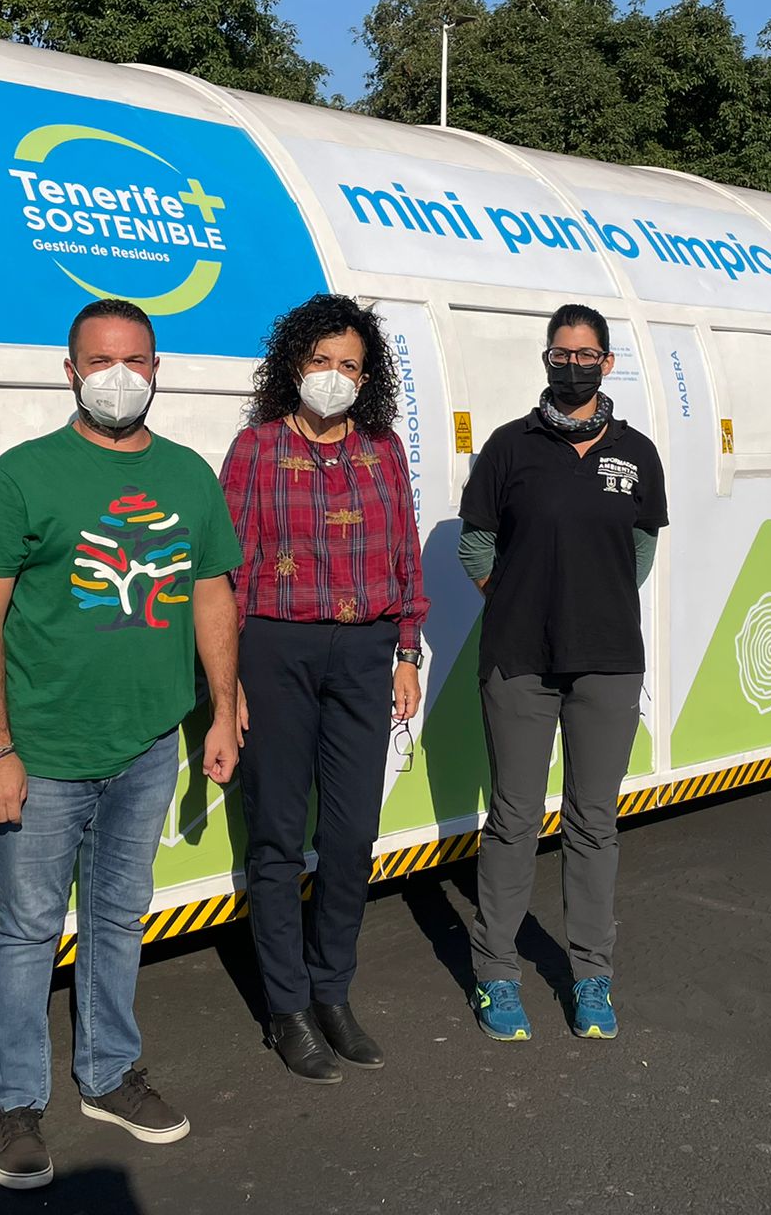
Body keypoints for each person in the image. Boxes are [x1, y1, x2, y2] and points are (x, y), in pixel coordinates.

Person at [0, 298, 243, 1190]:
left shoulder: (192, 477)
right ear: (71, 370)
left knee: (120, 918)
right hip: (41, 756)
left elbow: (212, 597)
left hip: (149, 746)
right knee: (29, 930)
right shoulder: (22, 477)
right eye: (103, 360)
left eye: (139, 360)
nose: (122, 376)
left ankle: (110, 1076)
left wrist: (223, 709)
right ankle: (15, 1104)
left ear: (158, 369)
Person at [220, 294, 428, 1082]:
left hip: (366, 650)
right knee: (277, 837)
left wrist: (407, 649)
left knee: (348, 836)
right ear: (292, 367)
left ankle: (332, 991)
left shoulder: (384, 450)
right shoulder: (256, 450)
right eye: (319, 362)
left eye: (349, 365)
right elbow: (228, 568)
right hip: (275, 650)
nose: (333, 377)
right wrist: (228, 677)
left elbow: (405, 551)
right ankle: (287, 1009)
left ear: (366, 376)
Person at [457, 303, 667, 1043]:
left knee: (594, 824)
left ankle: (592, 978)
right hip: (519, 660)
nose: (572, 363)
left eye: (586, 353)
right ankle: (496, 978)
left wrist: (591, 600)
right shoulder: (511, 447)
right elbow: (476, 544)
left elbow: (640, 547)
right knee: (513, 821)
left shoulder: (636, 453)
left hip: (607, 661)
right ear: (546, 359)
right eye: (561, 352)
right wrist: (521, 600)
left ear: (607, 364)